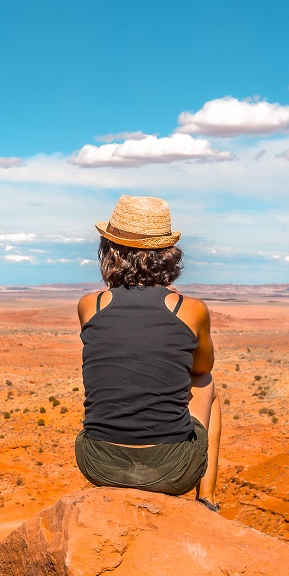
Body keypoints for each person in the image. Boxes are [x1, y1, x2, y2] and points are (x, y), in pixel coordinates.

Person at [74, 195, 222, 511]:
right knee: (207, 383)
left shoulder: (90, 305)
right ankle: (207, 498)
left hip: (98, 464)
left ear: (109, 252)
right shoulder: (191, 310)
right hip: (172, 471)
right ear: (167, 255)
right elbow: (202, 366)